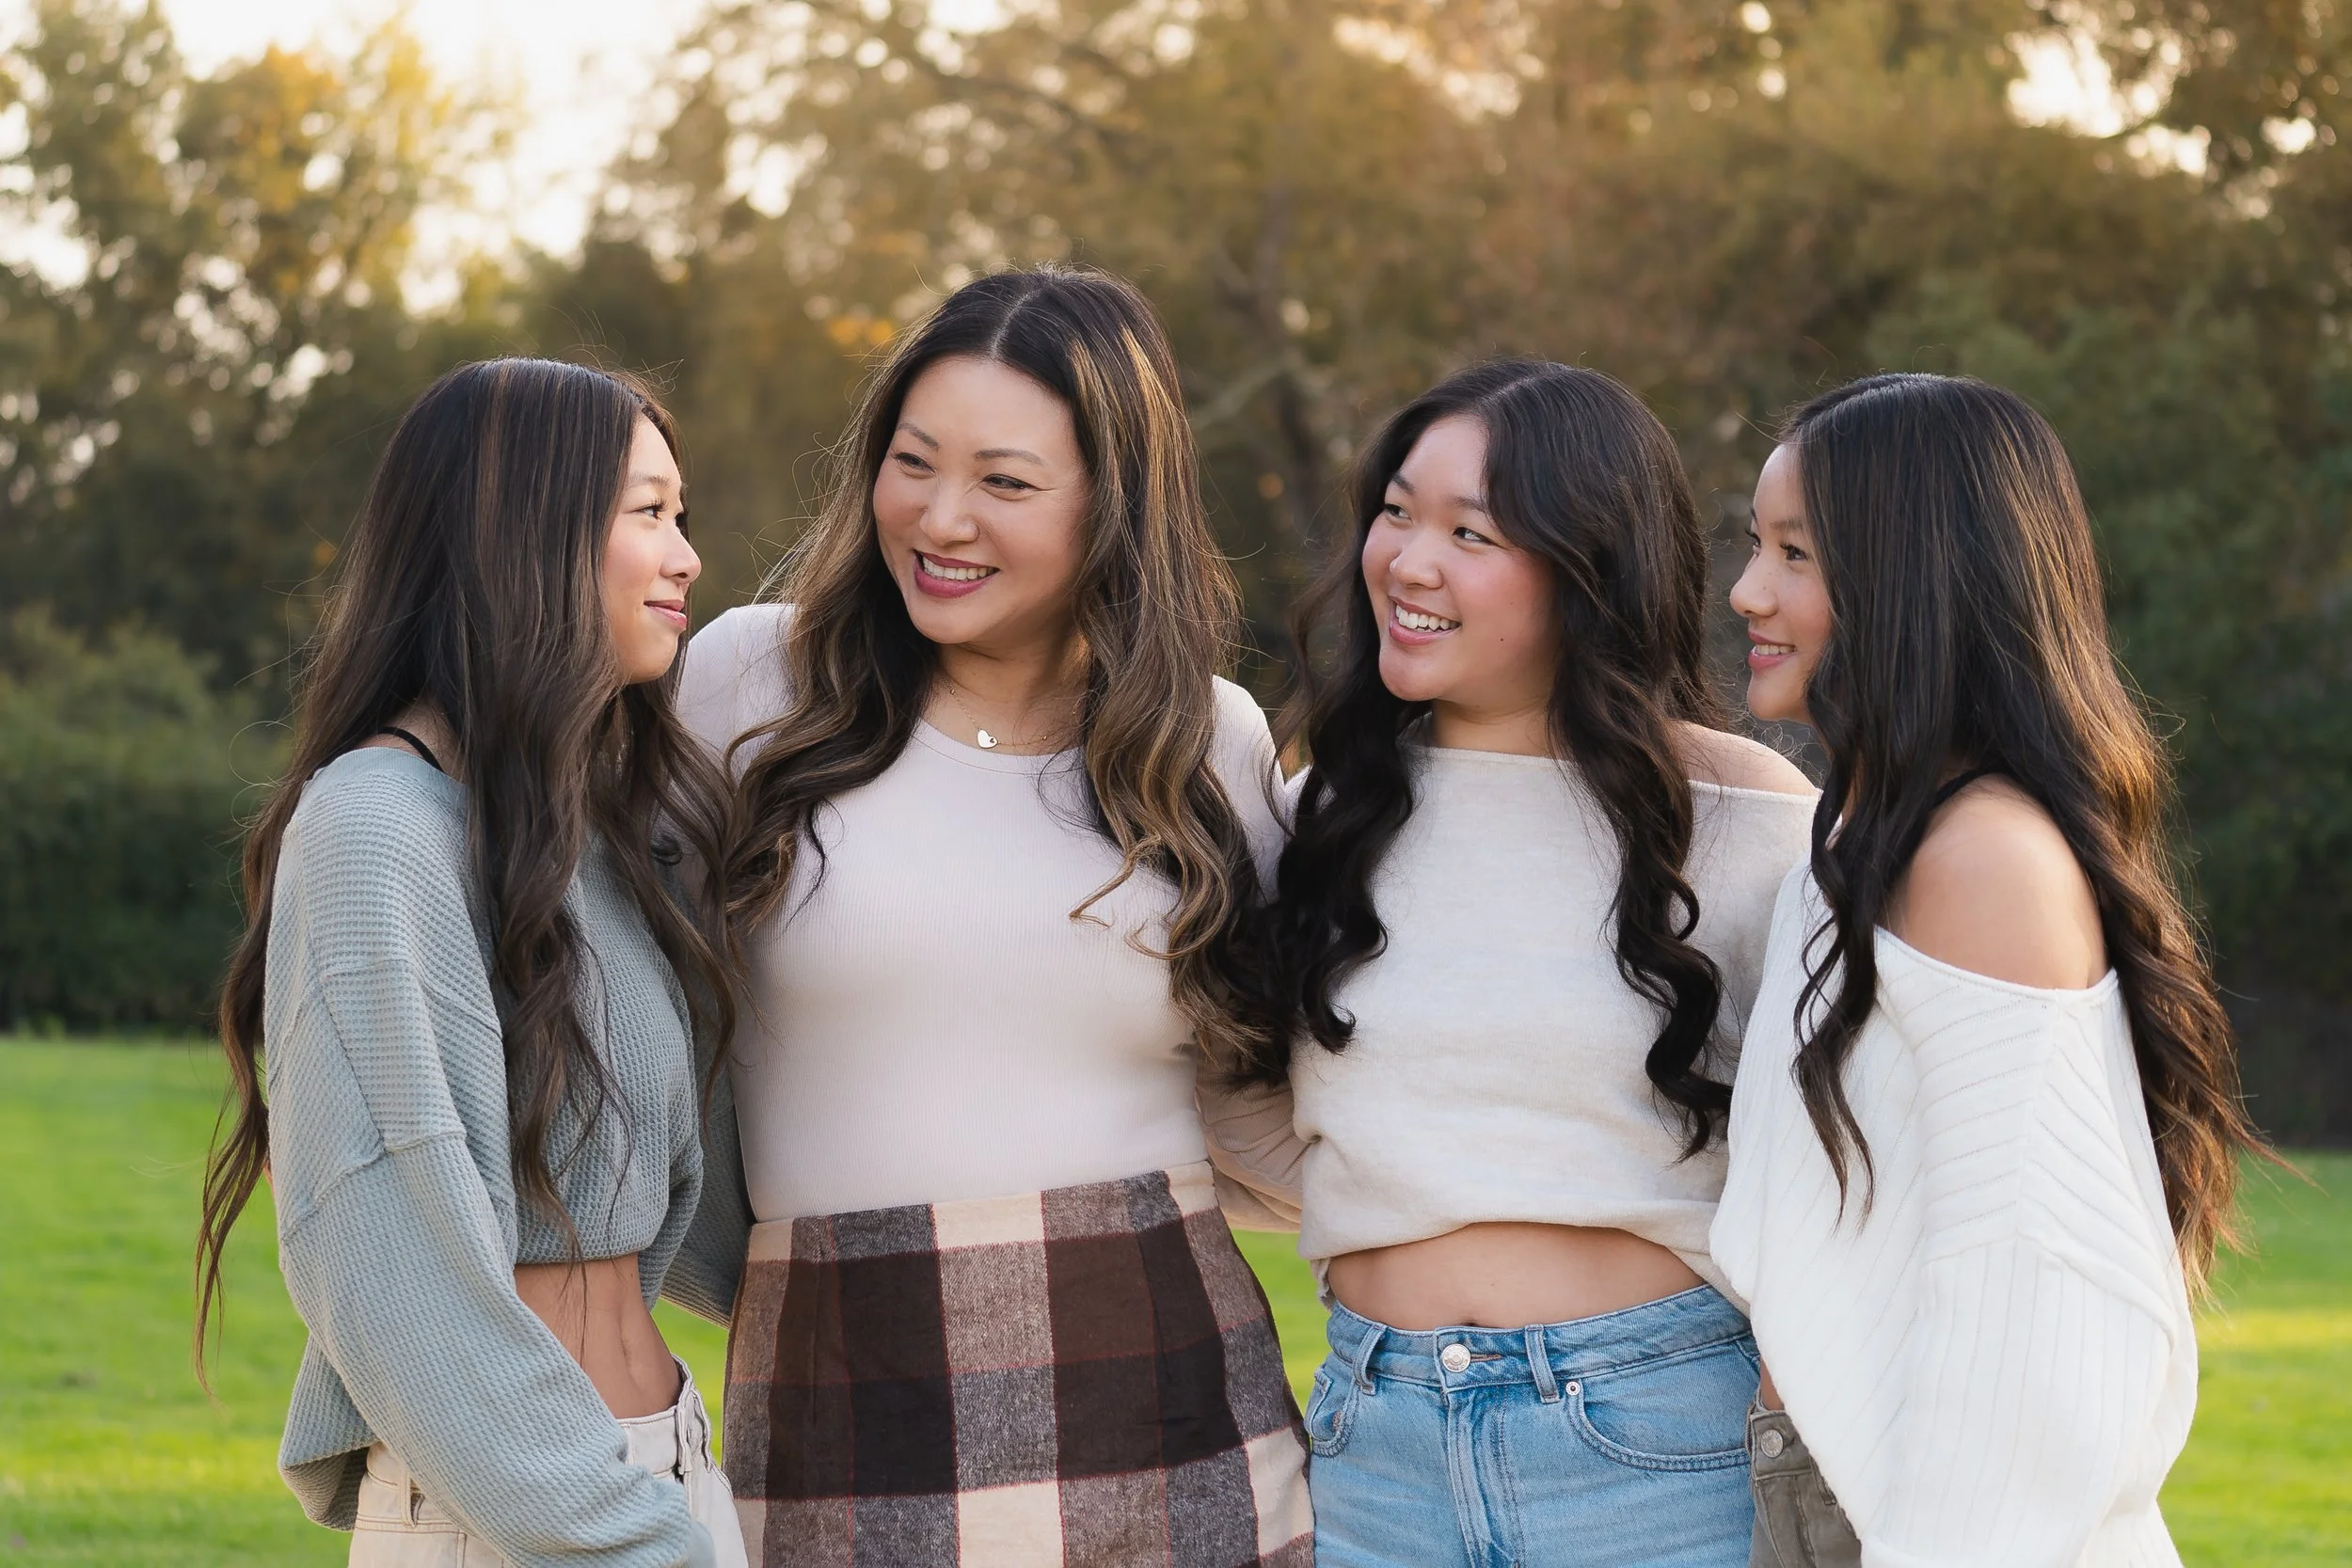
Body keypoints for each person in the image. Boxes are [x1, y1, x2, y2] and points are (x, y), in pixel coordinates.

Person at [675, 266, 1311, 1567]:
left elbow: (1264, 1097)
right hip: (843, 1394)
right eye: (914, 462)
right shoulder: (747, 682)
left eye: (1006, 483)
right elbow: (565, 950)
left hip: (1177, 1399)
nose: (941, 516)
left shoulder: (1209, 741)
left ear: (1113, 506)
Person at [1249, 358, 1817, 1568]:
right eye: (1397, 511)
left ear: (1588, 569)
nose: (1408, 560)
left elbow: (1842, 1149)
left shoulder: (1743, 820)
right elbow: (1246, 1111)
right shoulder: (1317, 815)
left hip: (1654, 1440)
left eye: (1471, 531)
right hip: (1374, 1443)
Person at [196, 359, 753, 1568]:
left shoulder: (590, 828)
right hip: (518, 1521)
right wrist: (633, 1539)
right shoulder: (375, 830)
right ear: (530, 535)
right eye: (648, 513)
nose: (686, 554)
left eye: (682, 515)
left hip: (664, 1467)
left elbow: (712, 1204)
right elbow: (393, 1264)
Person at [1713, 372, 2266, 1568]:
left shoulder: (1981, 859)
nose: (1747, 591)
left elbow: (2027, 1299)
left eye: (1797, 554)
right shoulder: (1863, 838)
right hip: (1818, 1478)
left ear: (1913, 578)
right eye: (1757, 545)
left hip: (1923, 1514)